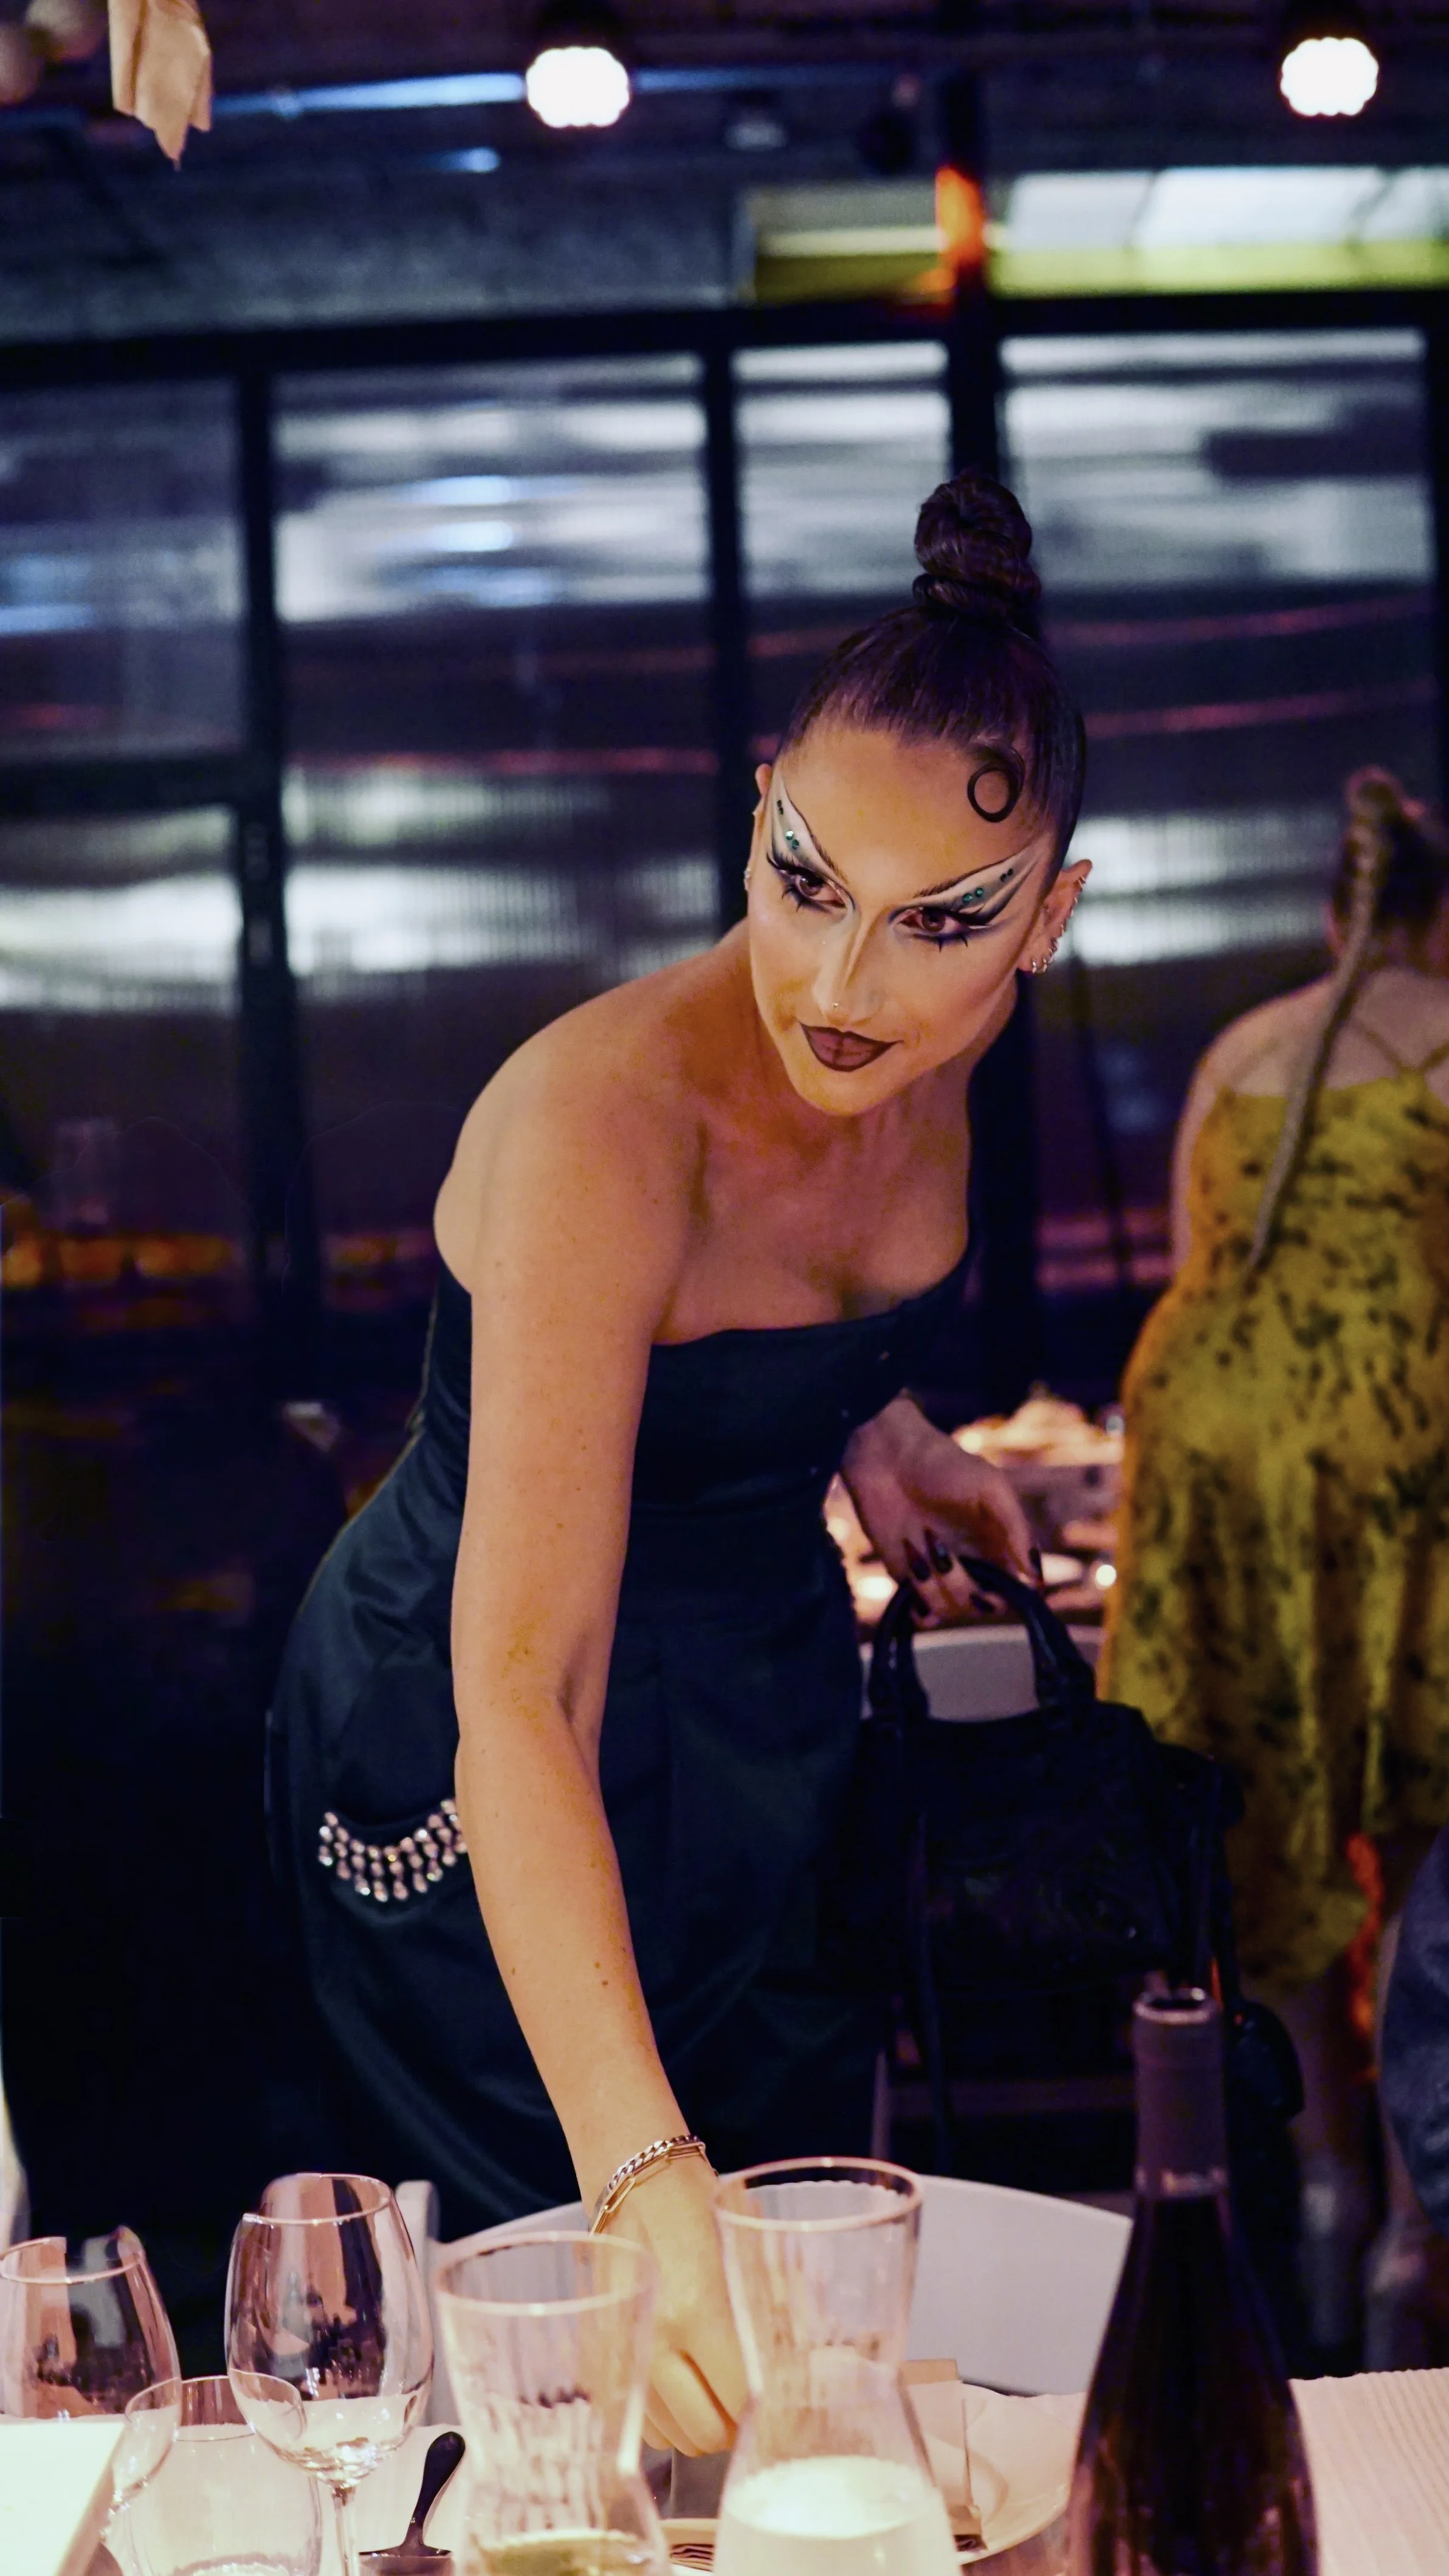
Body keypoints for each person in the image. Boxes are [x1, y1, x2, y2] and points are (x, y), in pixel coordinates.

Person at [268, 469, 1089, 2451]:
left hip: (761, 1725)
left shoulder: (927, 1067)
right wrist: (641, 2169)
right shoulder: (601, 1127)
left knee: (802, 2315)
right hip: (485, 1743)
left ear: (1049, 917)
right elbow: (522, 1689)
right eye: (805, 883)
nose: (839, 982)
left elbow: (771, 1327)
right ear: (753, 814)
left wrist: (876, 1425)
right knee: (567, 2359)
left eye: (936, 924)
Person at [1103, 768, 1449, 2363]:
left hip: (1212, 1455)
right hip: (1391, 1462)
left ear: (1332, 917)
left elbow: (1197, 1260)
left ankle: (1318, 2182)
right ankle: (1416, 2218)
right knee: (1421, 1825)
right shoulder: (1444, 1039)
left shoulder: (1245, 1050)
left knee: (1283, 1823)